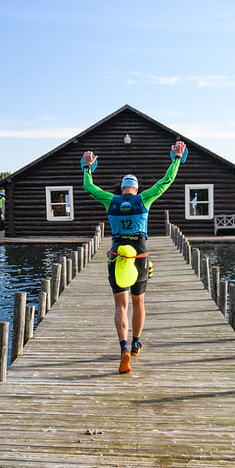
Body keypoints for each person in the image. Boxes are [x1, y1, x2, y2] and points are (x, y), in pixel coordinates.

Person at [82, 140, 187, 373]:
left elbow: (89, 188)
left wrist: (88, 167)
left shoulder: (111, 200)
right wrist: (176, 158)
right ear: (136, 189)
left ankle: (123, 349)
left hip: (116, 253)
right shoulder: (144, 199)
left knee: (121, 304)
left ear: (121, 189)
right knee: (139, 301)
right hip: (140, 253)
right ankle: (136, 342)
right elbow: (166, 181)